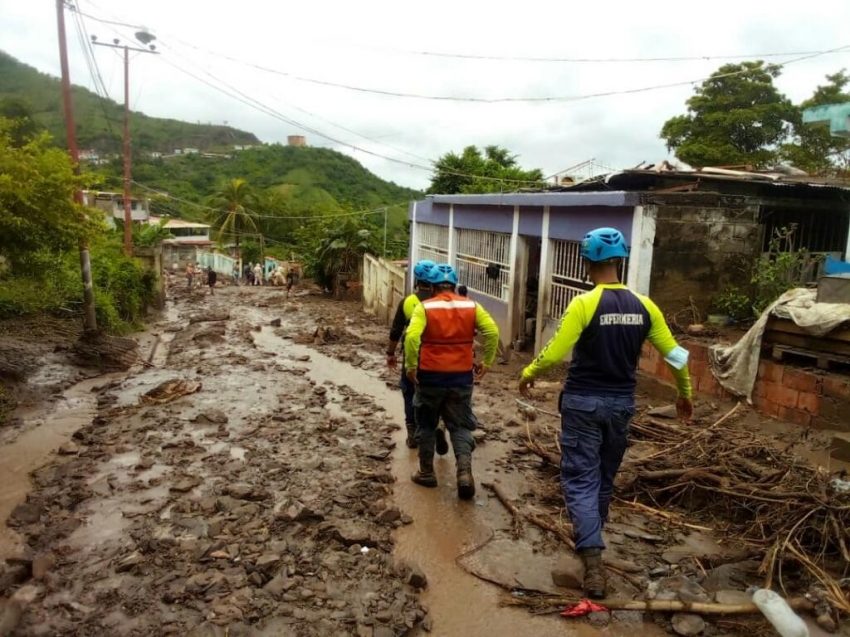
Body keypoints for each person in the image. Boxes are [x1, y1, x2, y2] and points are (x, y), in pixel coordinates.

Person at [518, 227, 693, 599]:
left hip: (582, 402)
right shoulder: (646, 306)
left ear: (586, 263)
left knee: (580, 478)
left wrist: (529, 373)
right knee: (605, 475)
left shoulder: (584, 304)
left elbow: (553, 352)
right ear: (619, 260)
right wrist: (685, 393)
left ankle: (592, 558)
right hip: (621, 406)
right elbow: (676, 354)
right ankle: (593, 534)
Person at [404, 263, 499, 500]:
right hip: (461, 377)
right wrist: (487, 361)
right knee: (460, 426)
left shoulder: (424, 308)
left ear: (433, 287)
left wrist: (411, 366)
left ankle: (427, 473)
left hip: (430, 377)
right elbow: (493, 332)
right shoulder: (472, 306)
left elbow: (412, 337)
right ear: (454, 286)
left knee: (426, 424)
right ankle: (464, 474)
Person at [385, 259, 448, 456]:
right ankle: (438, 424)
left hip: (413, 358)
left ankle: (413, 432)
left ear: (416, 280)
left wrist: (390, 354)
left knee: (409, 392)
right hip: (439, 359)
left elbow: (396, 332)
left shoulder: (408, 302)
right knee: (437, 394)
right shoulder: (442, 303)